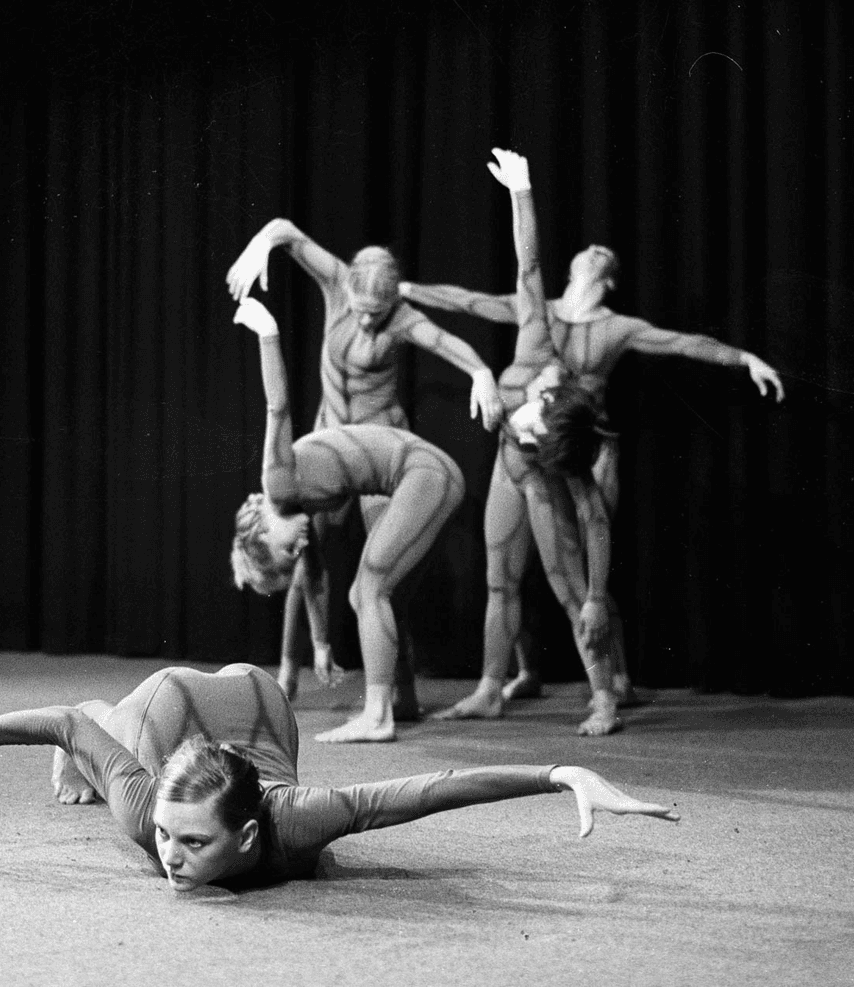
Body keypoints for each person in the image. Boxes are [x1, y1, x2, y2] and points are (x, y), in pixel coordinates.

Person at [408, 161, 785, 736]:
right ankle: (495, 685)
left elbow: (683, 344)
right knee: (501, 571)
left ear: (606, 278)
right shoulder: (535, 311)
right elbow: (482, 291)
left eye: (599, 252)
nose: (591, 246)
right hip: (515, 452)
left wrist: (744, 357)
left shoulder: (616, 328)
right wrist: (408, 289)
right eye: (585, 248)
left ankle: (610, 688)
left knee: (580, 575)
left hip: (573, 452)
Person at [0, 663, 679, 892]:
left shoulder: (301, 818)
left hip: (262, 702)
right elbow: (65, 723)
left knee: (94, 760)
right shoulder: (147, 811)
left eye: (190, 842)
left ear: (252, 834)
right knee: (96, 744)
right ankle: (118, 702)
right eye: (165, 838)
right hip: (172, 706)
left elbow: (428, 788)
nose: (168, 856)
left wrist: (558, 770)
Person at [226, 220, 503, 704]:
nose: (370, 320)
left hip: (381, 447)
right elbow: (287, 231)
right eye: (362, 311)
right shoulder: (335, 280)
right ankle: (292, 668)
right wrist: (259, 245)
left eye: (379, 313)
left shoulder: (401, 318)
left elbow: (443, 341)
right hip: (330, 438)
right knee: (301, 554)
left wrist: (480, 371)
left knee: (384, 574)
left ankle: (402, 690)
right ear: (346, 289)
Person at [229, 294, 465, 743]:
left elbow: (277, 407)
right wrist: (320, 645)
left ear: (260, 524)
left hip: (425, 474)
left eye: (286, 548)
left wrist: (267, 331)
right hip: (426, 476)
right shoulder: (296, 511)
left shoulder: (278, 483)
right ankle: (403, 699)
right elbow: (314, 577)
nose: (298, 547)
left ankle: (377, 717)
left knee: (368, 588)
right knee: (384, 595)